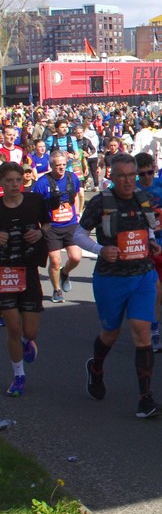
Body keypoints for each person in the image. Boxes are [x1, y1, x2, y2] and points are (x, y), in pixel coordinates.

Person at [73, 153, 162, 419]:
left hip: (142, 276)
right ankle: (96, 367)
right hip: (111, 278)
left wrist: (151, 243)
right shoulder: (101, 202)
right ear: (111, 176)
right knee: (111, 333)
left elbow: (148, 228)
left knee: (142, 332)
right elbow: (78, 234)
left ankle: (145, 399)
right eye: (121, 176)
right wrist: (100, 249)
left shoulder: (144, 198)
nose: (127, 181)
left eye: (131, 175)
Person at [0, 160, 50, 397]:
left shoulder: (34, 201)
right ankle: (19, 376)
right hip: (4, 272)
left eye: (18, 180)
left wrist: (40, 232)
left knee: (30, 332)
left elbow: (48, 223)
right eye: (9, 181)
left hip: (28, 270)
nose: (14, 184)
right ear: (2, 183)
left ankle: (26, 341)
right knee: (12, 326)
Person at [134, 153, 162, 353]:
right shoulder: (134, 190)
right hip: (144, 246)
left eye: (149, 172)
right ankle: (154, 333)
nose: (146, 177)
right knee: (156, 290)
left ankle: (147, 314)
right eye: (142, 173)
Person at [32, 150, 82, 303]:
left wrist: (77, 213)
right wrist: (39, 227)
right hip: (51, 226)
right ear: (51, 166)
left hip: (70, 224)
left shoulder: (72, 177)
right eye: (58, 165)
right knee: (55, 260)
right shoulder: (42, 183)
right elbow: (36, 205)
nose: (61, 168)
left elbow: (76, 196)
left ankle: (64, 273)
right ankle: (57, 290)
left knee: (76, 257)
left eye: (64, 164)